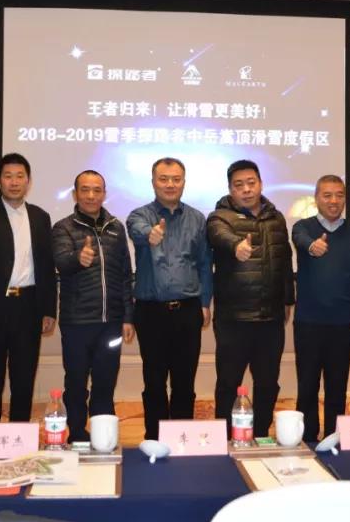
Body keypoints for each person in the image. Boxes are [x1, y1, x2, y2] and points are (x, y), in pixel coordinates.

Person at [0, 153, 57, 423]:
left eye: (20, 176)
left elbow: (46, 265)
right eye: (8, 176)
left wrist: (49, 309)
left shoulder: (40, 216)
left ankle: (20, 434)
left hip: (28, 306)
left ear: (28, 181)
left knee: (24, 378)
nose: (14, 182)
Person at [207, 159, 295, 439]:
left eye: (251, 183)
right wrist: (236, 246)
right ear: (230, 189)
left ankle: (260, 435)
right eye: (239, 185)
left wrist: (288, 299)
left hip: (270, 318)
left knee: (268, 383)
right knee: (228, 383)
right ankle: (225, 438)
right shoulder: (219, 217)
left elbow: (285, 259)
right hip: (234, 319)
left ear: (260, 184)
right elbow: (219, 236)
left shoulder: (276, 218)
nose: (246, 189)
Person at [127, 157, 213, 440]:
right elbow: (137, 230)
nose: (170, 184)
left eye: (176, 179)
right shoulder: (140, 215)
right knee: (154, 382)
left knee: (184, 382)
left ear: (184, 182)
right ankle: (154, 439)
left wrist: (205, 302)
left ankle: (181, 439)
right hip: (151, 312)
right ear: (153, 182)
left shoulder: (197, 219)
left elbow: (204, 264)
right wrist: (150, 234)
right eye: (163, 179)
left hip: (188, 310)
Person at [51, 170, 134, 443]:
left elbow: (125, 274)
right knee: (76, 383)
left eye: (97, 190)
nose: (91, 195)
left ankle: (103, 436)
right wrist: (78, 258)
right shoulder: (63, 227)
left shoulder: (116, 227)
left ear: (104, 194)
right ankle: (76, 433)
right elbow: (61, 262)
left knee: (105, 382)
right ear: (75, 194)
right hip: (77, 322)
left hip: (111, 323)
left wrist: (128, 316)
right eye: (85, 190)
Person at [290, 175, 350, 442]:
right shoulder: (304, 227)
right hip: (308, 322)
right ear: (316, 199)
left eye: (339, 195)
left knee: (337, 386)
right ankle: (308, 439)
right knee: (307, 386)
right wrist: (312, 245)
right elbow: (299, 238)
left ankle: (334, 438)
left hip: (342, 322)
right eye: (327, 195)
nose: (334, 201)